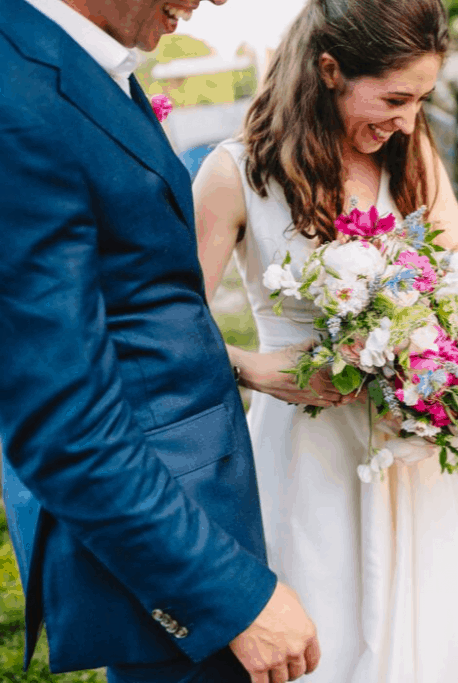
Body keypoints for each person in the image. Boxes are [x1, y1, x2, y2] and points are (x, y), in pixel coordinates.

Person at [192, 0, 458, 680]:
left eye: (421, 99)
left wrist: (435, 348)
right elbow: (168, 324)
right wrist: (253, 368)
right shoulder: (234, 174)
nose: (409, 119)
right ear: (330, 70)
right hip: (309, 457)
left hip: (421, 455)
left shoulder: (408, 153)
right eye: (394, 97)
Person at [0, 0, 322, 681]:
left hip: (187, 509)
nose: (217, 1)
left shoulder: (82, 59)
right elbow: (62, 420)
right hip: (158, 545)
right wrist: (229, 596)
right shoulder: (14, 92)